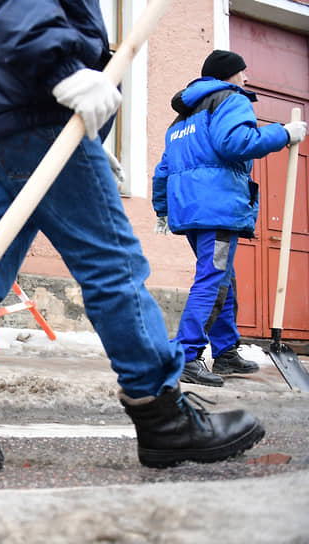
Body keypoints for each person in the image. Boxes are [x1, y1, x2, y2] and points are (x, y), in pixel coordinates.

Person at [0, 2, 266, 470]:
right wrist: (64, 69)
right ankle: (161, 412)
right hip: (38, 112)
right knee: (114, 268)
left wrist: (92, 131)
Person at [153, 50, 307, 387]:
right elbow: (236, 142)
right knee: (213, 277)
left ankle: (225, 352)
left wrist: (162, 209)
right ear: (227, 75)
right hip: (217, 207)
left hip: (190, 211)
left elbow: (163, 169)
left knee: (223, 277)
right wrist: (284, 133)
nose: (247, 78)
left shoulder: (182, 119)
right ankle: (186, 355)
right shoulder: (231, 100)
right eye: (242, 72)